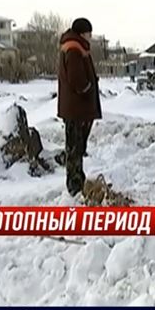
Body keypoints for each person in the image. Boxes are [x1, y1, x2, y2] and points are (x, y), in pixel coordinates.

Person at [57, 18, 102, 196]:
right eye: (89, 33)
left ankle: (77, 180)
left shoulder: (75, 46)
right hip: (76, 107)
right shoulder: (74, 48)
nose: (91, 36)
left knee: (77, 146)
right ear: (83, 33)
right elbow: (76, 78)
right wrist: (86, 88)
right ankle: (74, 185)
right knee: (75, 147)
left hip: (76, 107)